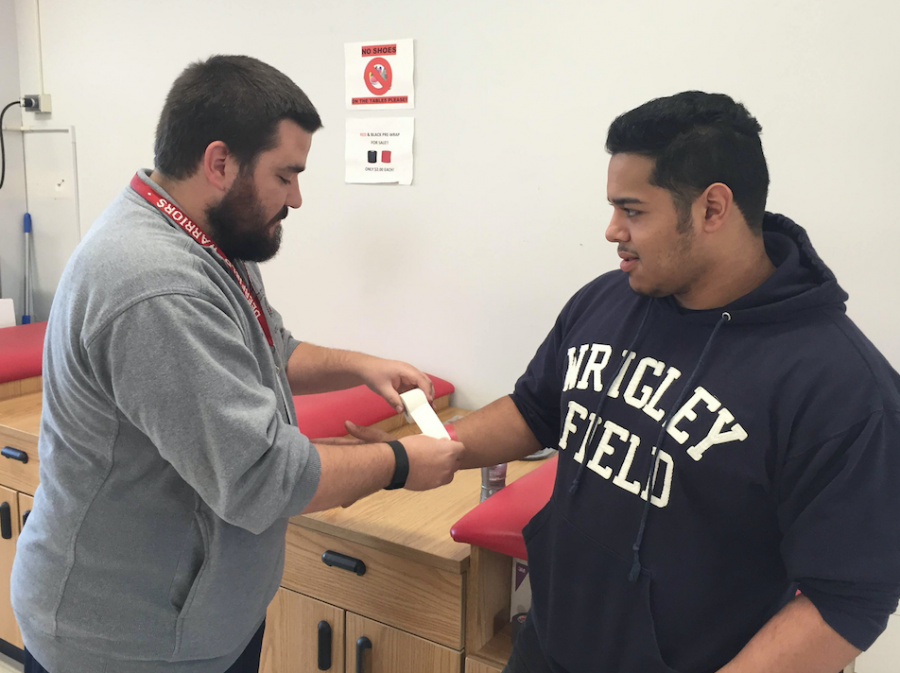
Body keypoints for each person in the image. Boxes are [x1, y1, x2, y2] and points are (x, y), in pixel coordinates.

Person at [348, 91, 900, 672]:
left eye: (632, 211)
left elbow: (846, 599)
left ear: (713, 209)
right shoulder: (609, 298)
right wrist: (411, 456)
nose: (612, 231)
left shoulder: (843, 388)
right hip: (547, 646)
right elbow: (537, 409)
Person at [11, 55, 464, 673]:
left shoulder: (207, 234)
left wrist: (361, 366)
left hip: (201, 620)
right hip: (126, 644)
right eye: (287, 175)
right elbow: (260, 478)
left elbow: (267, 348)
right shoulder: (152, 285)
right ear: (219, 162)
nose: (297, 198)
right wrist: (402, 462)